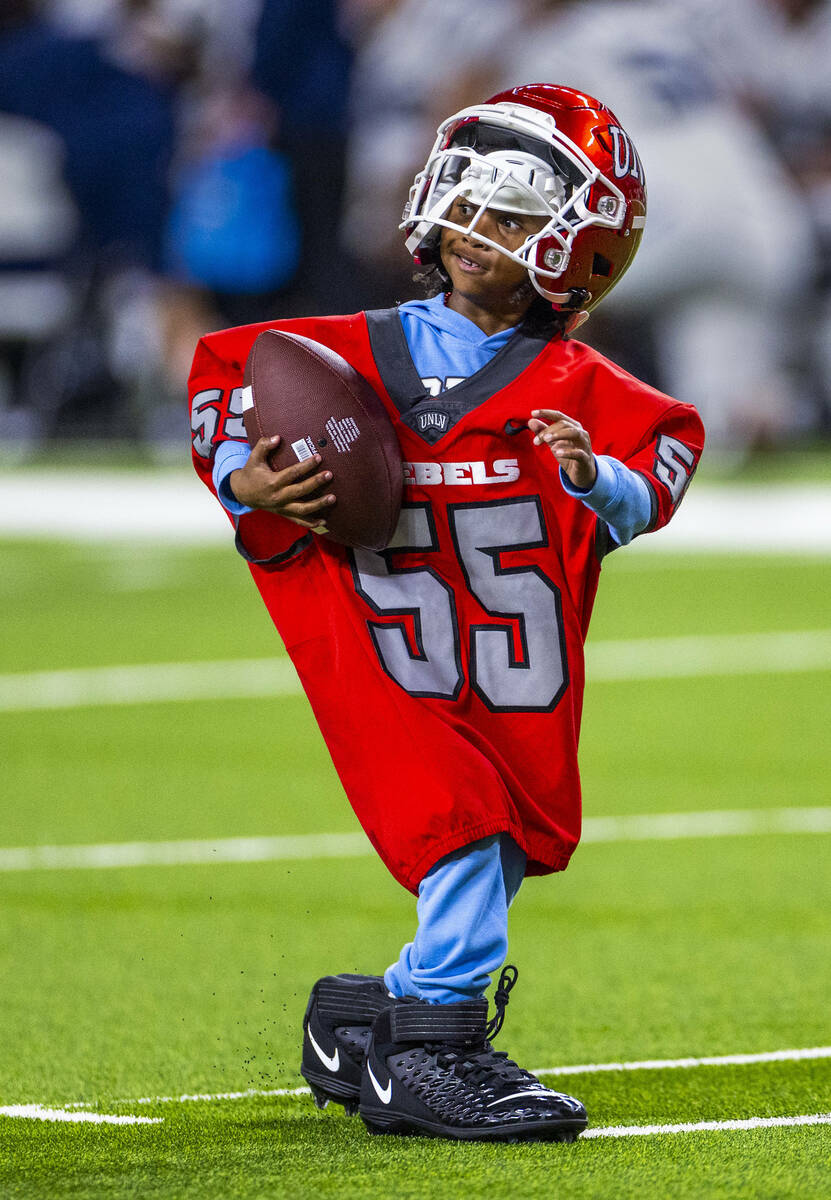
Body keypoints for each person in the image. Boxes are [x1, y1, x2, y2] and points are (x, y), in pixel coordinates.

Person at [188, 84, 705, 1142]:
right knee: (464, 835)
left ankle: (358, 1023)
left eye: (514, 217)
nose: (479, 230)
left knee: (500, 837)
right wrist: (249, 484)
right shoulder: (331, 355)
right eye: (469, 201)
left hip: (510, 676)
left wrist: (590, 477)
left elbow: (655, 479)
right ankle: (432, 1046)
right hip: (385, 651)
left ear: (578, 247)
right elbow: (219, 405)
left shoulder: (577, 384)